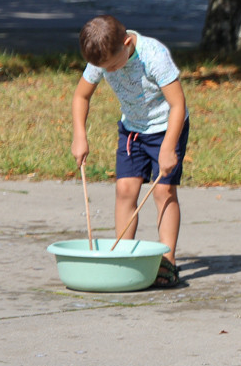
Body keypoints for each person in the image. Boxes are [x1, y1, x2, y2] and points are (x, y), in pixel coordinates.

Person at [71, 15, 189, 288]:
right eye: (104, 69)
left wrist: (169, 147)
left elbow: (178, 105)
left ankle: (167, 261)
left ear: (127, 44)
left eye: (112, 66)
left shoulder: (153, 56)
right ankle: (123, 256)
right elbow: (81, 96)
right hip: (132, 130)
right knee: (125, 190)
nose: (109, 72)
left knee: (163, 191)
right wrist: (80, 136)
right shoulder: (103, 56)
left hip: (165, 127)